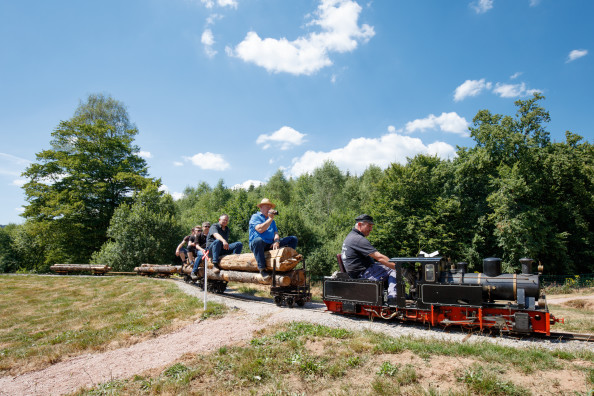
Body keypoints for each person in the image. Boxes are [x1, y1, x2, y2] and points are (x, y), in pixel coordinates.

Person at [341, 214, 398, 305]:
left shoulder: (351, 237)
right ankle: (393, 297)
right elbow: (379, 257)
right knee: (392, 268)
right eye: (369, 226)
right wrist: (398, 267)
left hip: (360, 272)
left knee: (385, 266)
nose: (371, 229)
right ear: (360, 225)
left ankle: (394, 294)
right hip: (363, 274)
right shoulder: (358, 239)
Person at [249, 198, 298, 281]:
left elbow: (276, 233)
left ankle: (288, 264)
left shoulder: (272, 221)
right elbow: (260, 229)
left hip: (270, 243)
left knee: (293, 239)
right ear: (261, 207)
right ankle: (262, 269)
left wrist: (276, 241)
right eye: (267, 207)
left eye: (270, 207)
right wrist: (270, 219)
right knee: (258, 241)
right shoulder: (255, 217)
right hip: (259, 244)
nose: (269, 209)